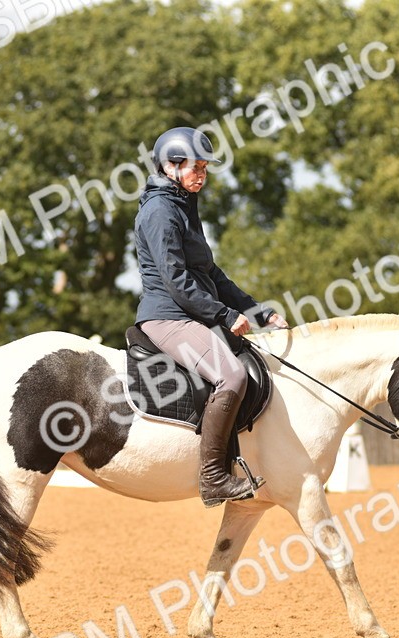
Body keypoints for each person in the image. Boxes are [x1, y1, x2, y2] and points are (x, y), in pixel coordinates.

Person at [134, 126, 289, 507]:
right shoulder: (160, 211)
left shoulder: (183, 205)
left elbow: (212, 275)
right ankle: (214, 478)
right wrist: (223, 314)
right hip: (168, 317)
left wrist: (259, 311)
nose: (202, 175)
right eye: (195, 167)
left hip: (189, 315)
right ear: (170, 166)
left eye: (205, 168)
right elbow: (177, 281)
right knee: (231, 375)